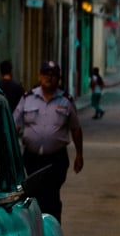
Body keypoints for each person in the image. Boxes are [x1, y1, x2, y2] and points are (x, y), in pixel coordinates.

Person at [13, 60, 84, 224]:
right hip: (32, 158)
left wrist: (79, 155)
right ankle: (35, 229)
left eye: (53, 75)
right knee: (33, 196)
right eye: (46, 74)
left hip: (56, 160)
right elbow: (14, 125)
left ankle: (52, 231)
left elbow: (76, 128)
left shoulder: (66, 100)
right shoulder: (28, 98)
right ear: (39, 76)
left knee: (51, 195)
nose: (49, 78)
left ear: (58, 79)